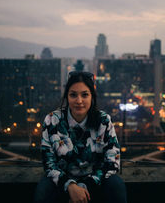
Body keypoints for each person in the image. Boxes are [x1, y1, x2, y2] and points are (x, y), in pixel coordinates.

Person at [34, 71, 127, 203]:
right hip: (62, 181)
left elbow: (113, 161)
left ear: (92, 97)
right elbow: (49, 163)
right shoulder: (52, 120)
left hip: (95, 181)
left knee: (116, 185)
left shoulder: (103, 121)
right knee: (43, 191)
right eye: (73, 95)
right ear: (67, 96)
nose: (79, 101)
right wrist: (70, 186)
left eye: (85, 95)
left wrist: (85, 187)